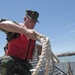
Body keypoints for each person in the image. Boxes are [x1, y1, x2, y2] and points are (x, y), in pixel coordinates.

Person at [0, 10, 41, 75]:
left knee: (30, 69)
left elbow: (32, 53)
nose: (33, 24)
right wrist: (24, 31)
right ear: (25, 19)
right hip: (12, 60)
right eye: (31, 21)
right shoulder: (16, 27)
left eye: (35, 22)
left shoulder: (33, 36)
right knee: (6, 62)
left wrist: (39, 50)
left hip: (24, 63)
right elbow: (2, 24)